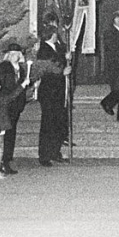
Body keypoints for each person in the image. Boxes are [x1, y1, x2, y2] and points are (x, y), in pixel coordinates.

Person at [0, 44, 28, 177]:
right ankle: (3, 161)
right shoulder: (4, 67)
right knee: (6, 133)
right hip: (6, 104)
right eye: (11, 53)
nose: (13, 56)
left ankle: (7, 159)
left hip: (16, 105)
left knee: (11, 133)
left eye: (16, 53)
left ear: (20, 55)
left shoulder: (21, 69)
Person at [35, 28, 69, 166]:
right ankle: (44, 155)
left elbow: (60, 61)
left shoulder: (57, 48)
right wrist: (62, 72)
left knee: (58, 122)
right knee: (48, 123)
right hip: (49, 91)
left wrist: (66, 58)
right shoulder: (43, 50)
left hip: (58, 91)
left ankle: (55, 151)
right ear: (52, 35)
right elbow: (47, 69)